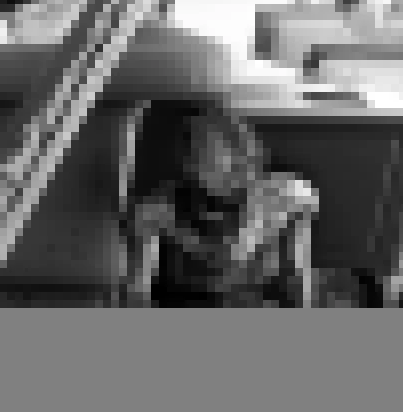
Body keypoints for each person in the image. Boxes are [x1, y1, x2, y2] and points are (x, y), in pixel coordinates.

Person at [121, 101, 317, 308]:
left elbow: (296, 276)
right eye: (191, 146)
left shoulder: (287, 197)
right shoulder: (157, 210)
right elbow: (137, 291)